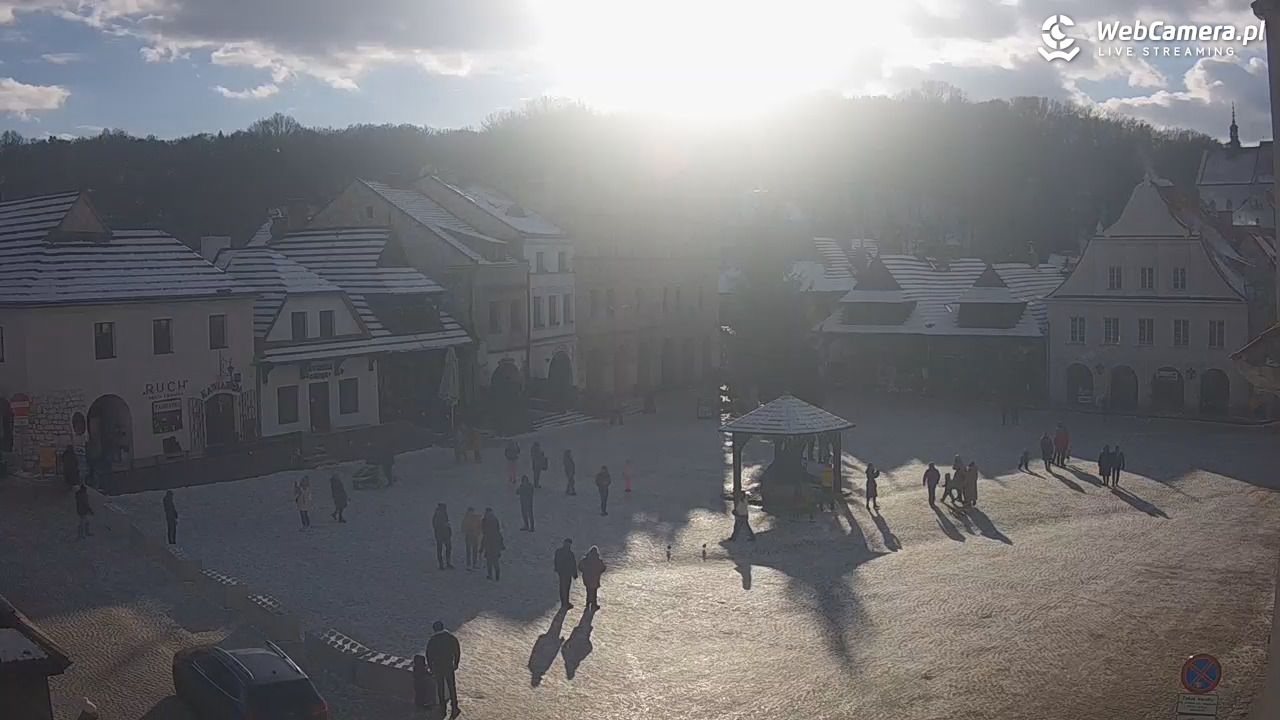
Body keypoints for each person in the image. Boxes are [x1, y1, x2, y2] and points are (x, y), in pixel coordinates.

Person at [425, 620, 461, 718]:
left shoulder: (432, 640)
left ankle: (442, 708)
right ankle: (455, 707)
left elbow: (428, 655)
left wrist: (431, 668)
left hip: (437, 667)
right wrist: (456, 663)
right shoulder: (451, 638)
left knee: (440, 687)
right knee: (451, 687)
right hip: (448, 666)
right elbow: (457, 650)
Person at [579, 546, 607, 610]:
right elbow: (603, 568)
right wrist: (598, 572)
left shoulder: (586, 559)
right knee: (594, 592)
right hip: (595, 578)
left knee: (588, 591)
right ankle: (594, 604)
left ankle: (588, 603)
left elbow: (580, 567)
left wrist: (585, 571)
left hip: (587, 578)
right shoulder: (598, 560)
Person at [554, 538, 578, 609]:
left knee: (563, 587)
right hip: (567, 572)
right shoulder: (570, 554)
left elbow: (556, 561)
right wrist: (574, 573)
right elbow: (573, 564)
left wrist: (557, 569)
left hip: (562, 572)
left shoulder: (559, 551)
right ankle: (565, 602)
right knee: (566, 587)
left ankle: (564, 602)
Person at [481, 508, 504, 580]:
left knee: (489, 561)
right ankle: (497, 575)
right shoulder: (495, 519)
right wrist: (502, 545)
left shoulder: (485, 520)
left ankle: (490, 575)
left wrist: (481, 548)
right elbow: (499, 532)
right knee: (495, 560)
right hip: (495, 542)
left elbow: (484, 534)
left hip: (488, 542)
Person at [433, 503, 454, 570]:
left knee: (447, 548)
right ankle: (442, 564)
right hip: (441, 534)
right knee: (441, 549)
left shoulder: (443, 514)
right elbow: (436, 525)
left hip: (445, 534)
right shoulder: (438, 515)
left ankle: (445, 563)